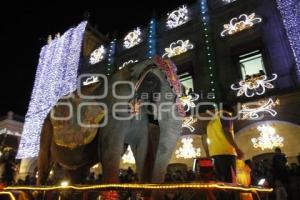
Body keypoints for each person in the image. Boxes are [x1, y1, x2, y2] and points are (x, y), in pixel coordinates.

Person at [204, 103, 244, 184]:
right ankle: (230, 197)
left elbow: (204, 138)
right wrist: (236, 148)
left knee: (220, 182)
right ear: (230, 111)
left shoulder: (211, 122)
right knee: (230, 182)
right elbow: (227, 132)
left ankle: (222, 197)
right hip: (226, 153)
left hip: (214, 155)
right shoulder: (225, 115)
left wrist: (208, 153)